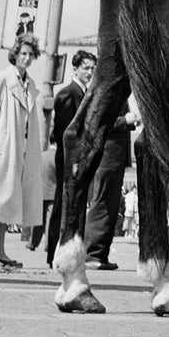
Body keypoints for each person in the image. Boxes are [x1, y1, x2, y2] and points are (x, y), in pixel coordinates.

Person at [0, 33, 45, 271]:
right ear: (14, 55)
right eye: (22, 54)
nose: (26, 58)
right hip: (1, 149)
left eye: (29, 54)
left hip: (20, 151)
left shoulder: (31, 85)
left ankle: (0, 250)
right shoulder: (2, 78)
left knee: (8, 200)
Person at [45, 49, 95, 268]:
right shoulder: (67, 94)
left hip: (80, 158)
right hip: (68, 158)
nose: (90, 72)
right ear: (75, 69)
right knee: (62, 204)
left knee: (75, 205)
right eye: (86, 68)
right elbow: (64, 132)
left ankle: (71, 252)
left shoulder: (86, 94)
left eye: (93, 68)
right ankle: (54, 252)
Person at [85, 94, 136, 272]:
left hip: (114, 158)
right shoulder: (109, 92)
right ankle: (92, 254)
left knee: (110, 206)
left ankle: (100, 254)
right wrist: (125, 120)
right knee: (102, 204)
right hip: (107, 157)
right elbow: (98, 121)